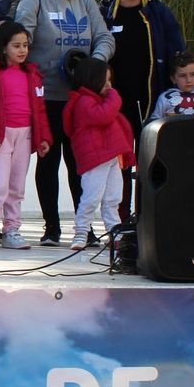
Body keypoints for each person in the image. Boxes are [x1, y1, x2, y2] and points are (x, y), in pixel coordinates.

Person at [15, 0, 114, 247]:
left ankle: (84, 228)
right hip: (46, 97)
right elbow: (21, 37)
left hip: (81, 99)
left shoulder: (85, 2)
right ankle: (52, 228)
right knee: (48, 161)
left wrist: (93, 67)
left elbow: (105, 39)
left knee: (79, 163)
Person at [97, 0, 186, 217]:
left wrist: (178, 96)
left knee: (152, 163)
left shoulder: (158, 12)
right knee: (119, 164)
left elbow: (177, 53)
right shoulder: (104, 12)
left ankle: (149, 218)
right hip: (115, 104)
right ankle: (121, 220)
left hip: (152, 102)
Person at [0, 22, 51, 250]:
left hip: (25, 136)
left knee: (17, 186)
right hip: (1, 137)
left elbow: (40, 110)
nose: (22, 50)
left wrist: (43, 137)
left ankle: (12, 231)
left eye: (25, 45)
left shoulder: (33, 75)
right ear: (3, 47)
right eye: (16, 45)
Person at [64, 57, 135, 253]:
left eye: (111, 81)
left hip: (110, 156)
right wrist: (115, 96)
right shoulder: (84, 101)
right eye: (106, 81)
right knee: (91, 198)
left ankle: (115, 234)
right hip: (95, 159)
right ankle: (81, 232)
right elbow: (103, 116)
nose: (110, 86)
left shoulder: (96, 100)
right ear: (92, 80)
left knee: (113, 198)